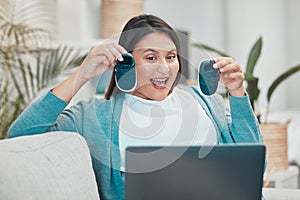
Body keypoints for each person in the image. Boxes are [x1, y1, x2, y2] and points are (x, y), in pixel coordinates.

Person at [8, 14, 263, 200]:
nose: (164, 68)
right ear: (125, 63)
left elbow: (253, 167)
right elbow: (21, 136)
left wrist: (237, 93)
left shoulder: (206, 102)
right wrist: (82, 74)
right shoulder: (96, 116)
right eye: (151, 57)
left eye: (171, 57)